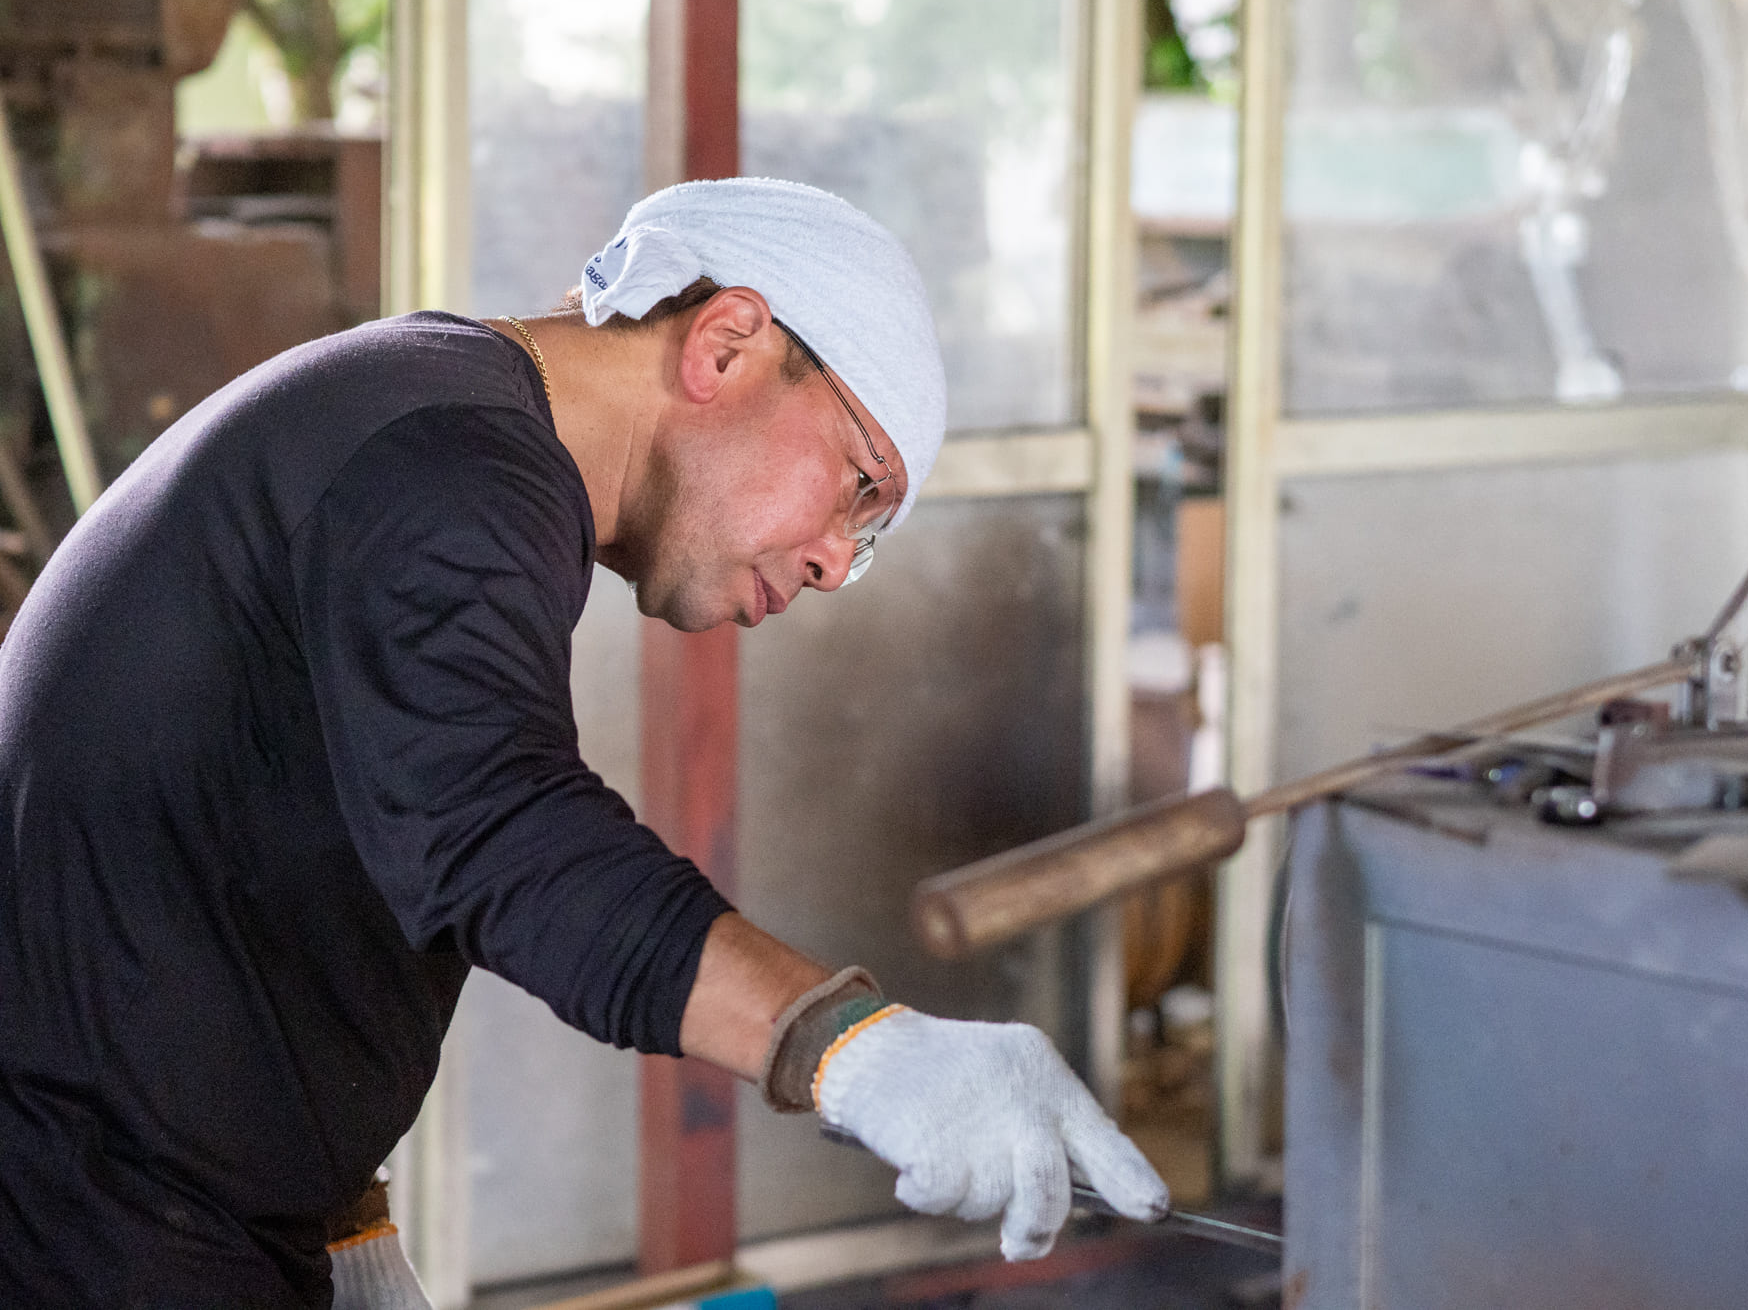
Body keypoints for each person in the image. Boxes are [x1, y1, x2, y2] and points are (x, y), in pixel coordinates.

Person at [0, 178, 1167, 1309]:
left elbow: (282, 849)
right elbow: (495, 831)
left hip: (143, 1202)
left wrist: (339, 1209)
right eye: (857, 488)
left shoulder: (430, 419)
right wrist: (847, 1044)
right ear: (724, 343)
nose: (830, 560)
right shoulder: (450, 466)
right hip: (80, 1226)